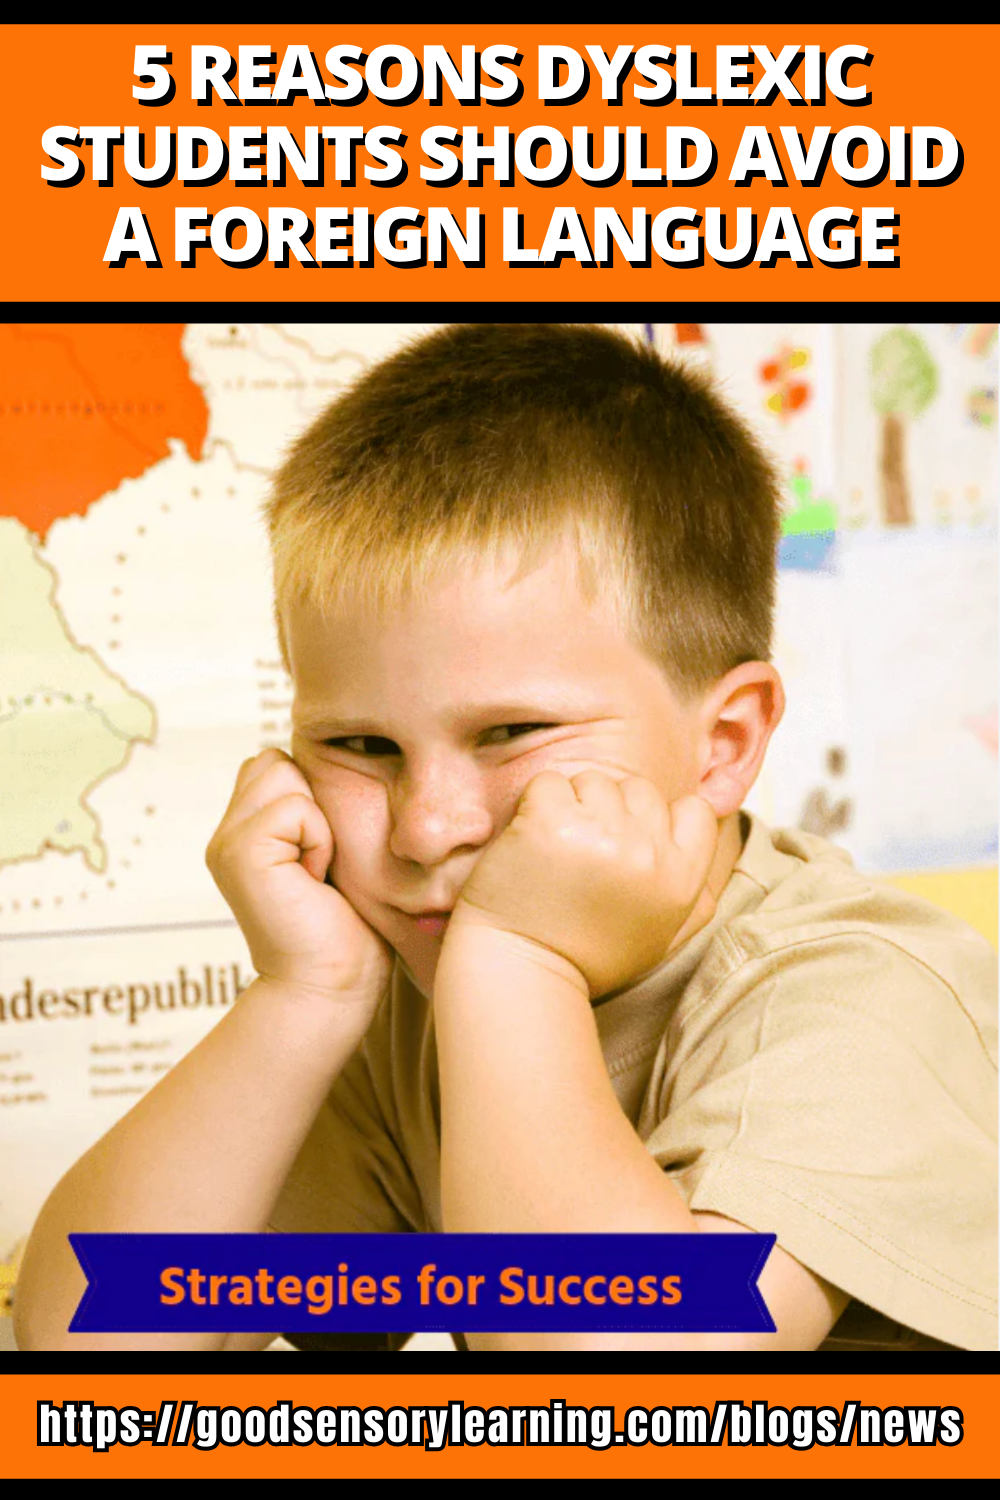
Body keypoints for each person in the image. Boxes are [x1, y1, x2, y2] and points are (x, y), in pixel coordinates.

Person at [15, 324, 997, 1353]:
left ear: (724, 744)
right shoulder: (404, 1000)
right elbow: (92, 1345)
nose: (426, 827)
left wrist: (518, 960)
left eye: (512, 732)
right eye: (360, 745)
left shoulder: (858, 992)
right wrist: (300, 998)